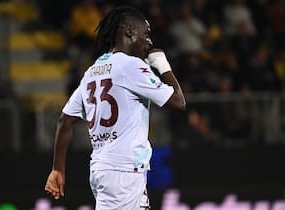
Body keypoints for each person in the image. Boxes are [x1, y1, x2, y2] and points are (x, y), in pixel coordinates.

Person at [44, 5, 186, 210]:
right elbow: (179, 102)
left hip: (106, 170)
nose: (149, 41)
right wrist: (162, 64)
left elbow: (64, 121)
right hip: (123, 174)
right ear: (129, 30)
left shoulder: (92, 72)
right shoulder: (132, 66)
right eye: (146, 33)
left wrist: (58, 169)